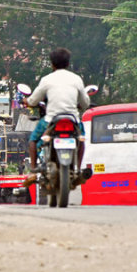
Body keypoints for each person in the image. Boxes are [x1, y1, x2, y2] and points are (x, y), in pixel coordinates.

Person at [23, 48, 90, 185]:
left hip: (50, 120)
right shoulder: (76, 79)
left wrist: (26, 101)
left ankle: (34, 170)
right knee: (81, 140)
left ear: (52, 64)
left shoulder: (47, 80)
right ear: (68, 64)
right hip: (73, 120)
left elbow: (33, 101)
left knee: (33, 140)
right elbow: (85, 103)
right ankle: (77, 168)